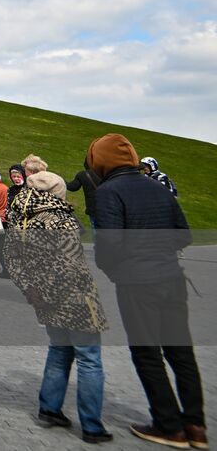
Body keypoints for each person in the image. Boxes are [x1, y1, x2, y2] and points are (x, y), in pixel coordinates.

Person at [89, 133, 205, 448]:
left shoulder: (109, 192)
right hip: (171, 276)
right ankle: (195, 424)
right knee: (181, 351)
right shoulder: (157, 186)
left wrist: (113, 268)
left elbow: (109, 243)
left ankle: (168, 424)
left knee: (146, 352)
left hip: (137, 281)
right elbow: (183, 235)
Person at [2, 170, 112, 443]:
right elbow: (69, 265)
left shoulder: (20, 219)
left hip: (43, 297)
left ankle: (50, 408)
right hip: (73, 297)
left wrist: (33, 290)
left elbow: (13, 261)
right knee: (89, 358)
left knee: (59, 351)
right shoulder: (60, 220)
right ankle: (92, 425)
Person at [67, 162, 102, 229]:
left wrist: (60, 180)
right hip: (109, 205)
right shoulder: (106, 173)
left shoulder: (83, 175)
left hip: (93, 208)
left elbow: (72, 187)